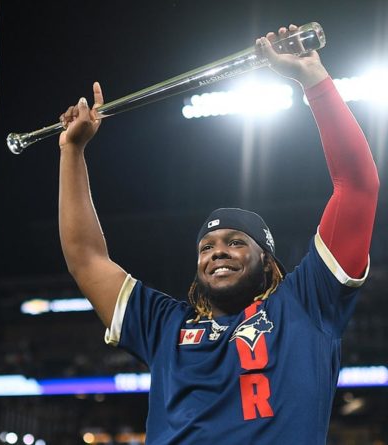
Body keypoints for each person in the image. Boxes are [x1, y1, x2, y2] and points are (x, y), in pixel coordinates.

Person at [58, 25, 379, 443]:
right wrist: (72, 152)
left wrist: (312, 79)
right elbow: (86, 258)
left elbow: (357, 187)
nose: (218, 252)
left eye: (235, 242)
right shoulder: (164, 325)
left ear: (267, 259)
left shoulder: (307, 304)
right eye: (206, 246)